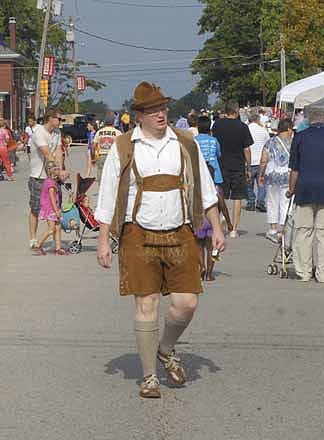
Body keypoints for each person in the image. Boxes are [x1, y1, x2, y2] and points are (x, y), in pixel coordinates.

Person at [95, 82, 225, 398]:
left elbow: (205, 189)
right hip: (137, 233)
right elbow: (108, 195)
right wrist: (102, 239)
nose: (160, 114)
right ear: (138, 115)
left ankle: (165, 348)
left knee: (187, 303)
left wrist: (216, 226)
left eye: (163, 108)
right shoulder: (124, 146)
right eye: (153, 110)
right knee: (147, 303)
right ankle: (150, 376)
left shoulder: (184, 143)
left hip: (180, 231)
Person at [287, 107, 324, 283]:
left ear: (309, 120)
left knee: (303, 231)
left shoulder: (300, 137)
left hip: (304, 188)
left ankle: (304, 271)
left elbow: (295, 168)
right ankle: (323, 273)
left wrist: (291, 189)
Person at [212, 101, 253, 238]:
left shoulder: (217, 125)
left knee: (220, 196)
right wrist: (248, 167)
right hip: (238, 165)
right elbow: (246, 149)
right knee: (238, 197)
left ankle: (217, 225)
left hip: (221, 164)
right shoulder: (242, 127)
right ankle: (234, 229)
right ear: (236, 111)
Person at [28, 107, 63, 249]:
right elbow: (47, 153)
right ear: (50, 119)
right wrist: (57, 170)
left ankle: (57, 242)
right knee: (36, 208)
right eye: (59, 119)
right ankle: (33, 238)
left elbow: (59, 151)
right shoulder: (39, 133)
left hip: (53, 176)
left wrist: (59, 172)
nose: (61, 121)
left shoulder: (57, 133)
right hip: (38, 176)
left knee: (55, 208)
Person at [258, 118, 293, 243]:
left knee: (272, 202)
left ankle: (273, 229)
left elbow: (263, 160)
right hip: (287, 177)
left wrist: (260, 175)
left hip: (271, 176)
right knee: (285, 203)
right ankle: (283, 229)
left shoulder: (270, 142)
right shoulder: (293, 143)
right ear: (288, 129)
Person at [196, 116, 233, 232]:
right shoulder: (214, 140)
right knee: (220, 198)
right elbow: (219, 154)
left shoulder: (194, 140)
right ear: (209, 128)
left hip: (199, 173)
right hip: (214, 172)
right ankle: (228, 222)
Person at [32, 161, 66, 255]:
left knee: (58, 227)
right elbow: (52, 199)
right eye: (56, 169)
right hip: (50, 209)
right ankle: (37, 244)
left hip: (53, 208)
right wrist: (56, 211)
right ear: (50, 171)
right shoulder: (50, 184)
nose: (58, 170)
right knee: (51, 229)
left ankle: (58, 248)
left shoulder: (52, 181)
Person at [246, 112, 269, 212]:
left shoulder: (246, 129)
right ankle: (260, 202)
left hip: (249, 161)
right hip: (261, 161)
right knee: (261, 183)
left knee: (248, 184)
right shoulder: (263, 130)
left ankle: (251, 201)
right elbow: (268, 143)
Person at [93, 114, 122, 178]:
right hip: (113, 157)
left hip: (102, 156)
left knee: (101, 175)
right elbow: (122, 146)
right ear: (113, 122)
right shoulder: (118, 132)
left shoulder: (99, 132)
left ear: (105, 122)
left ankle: (101, 187)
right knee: (113, 176)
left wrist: (93, 158)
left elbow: (93, 146)